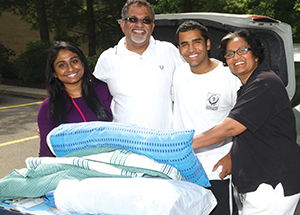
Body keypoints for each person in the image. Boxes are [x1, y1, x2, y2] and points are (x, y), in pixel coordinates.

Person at [192, 29, 300, 214]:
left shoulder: (263, 84)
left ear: (256, 54)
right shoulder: (250, 86)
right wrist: (232, 156)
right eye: (230, 54)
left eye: (242, 50)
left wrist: (182, 144)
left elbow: (229, 129)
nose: (236, 57)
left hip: (272, 184)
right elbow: (251, 131)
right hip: (262, 184)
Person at [173, 20, 241, 215]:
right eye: (184, 44)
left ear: (208, 44)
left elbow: (245, 124)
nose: (191, 49)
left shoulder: (228, 77)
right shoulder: (178, 74)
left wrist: (231, 156)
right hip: (184, 170)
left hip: (217, 170)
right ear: (179, 49)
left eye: (196, 42)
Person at [93, 0, 183, 129]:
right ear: (122, 25)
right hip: (124, 145)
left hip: (164, 143)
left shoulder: (169, 51)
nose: (139, 25)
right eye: (133, 19)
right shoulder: (108, 59)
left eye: (146, 20)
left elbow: (191, 81)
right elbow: (93, 99)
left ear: (152, 27)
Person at [37, 41, 112, 157]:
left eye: (74, 61)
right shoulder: (49, 107)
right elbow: (46, 152)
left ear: (83, 63)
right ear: (54, 73)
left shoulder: (102, 90)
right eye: (62, 65)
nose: (70, 68)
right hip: (74, 170)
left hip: (111, 164)